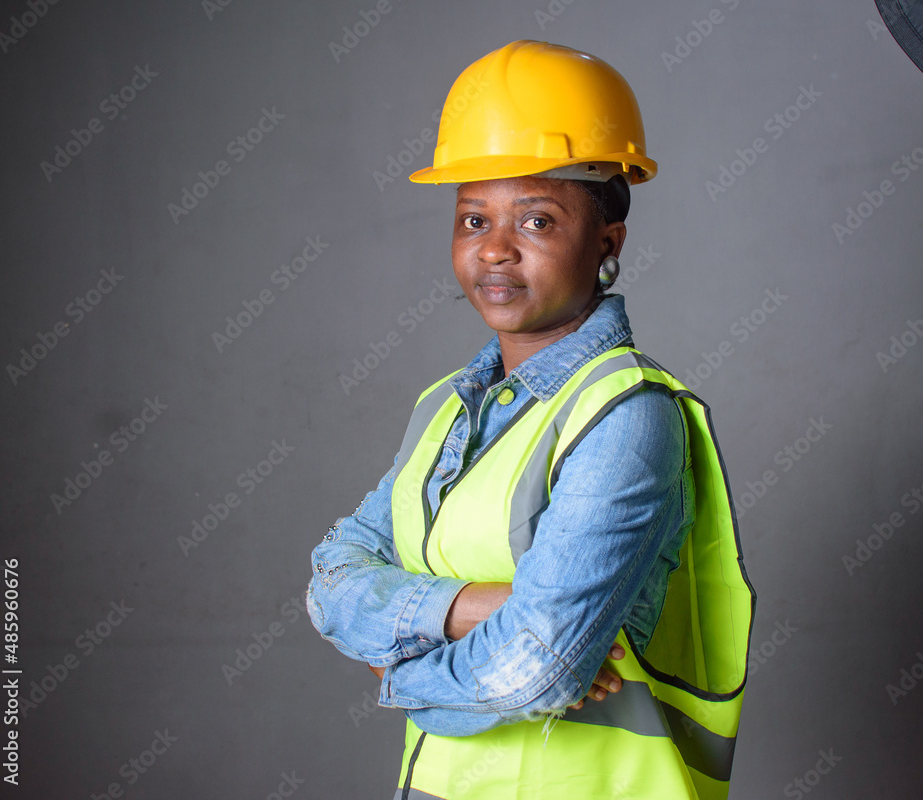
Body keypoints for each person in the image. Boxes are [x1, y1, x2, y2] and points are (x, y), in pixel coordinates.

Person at [307, 40, 755, 800]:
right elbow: (331, 581)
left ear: (606, 243)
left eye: (538, 222)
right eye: (473, 219)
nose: (496, 252)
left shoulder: (627, 417)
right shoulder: (445, 407)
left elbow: (538, 668)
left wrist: (399, 665)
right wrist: (480, 609)